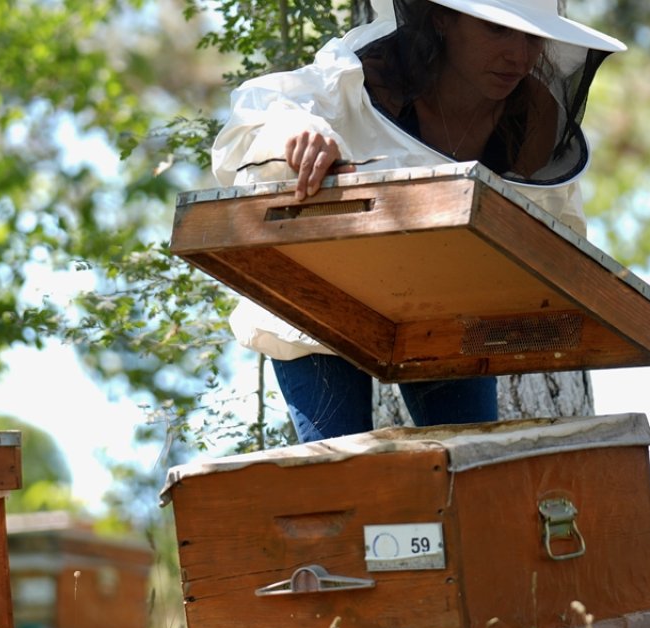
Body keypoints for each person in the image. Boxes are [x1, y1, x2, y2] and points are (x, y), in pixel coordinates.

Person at [209, 0, 626, 443]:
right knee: (341, 478)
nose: (519, 56)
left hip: (443, 310)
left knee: (470, 467)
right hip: (323, 301)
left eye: (531, 37)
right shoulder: (363, 73)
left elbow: (559, 241)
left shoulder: (535, 123)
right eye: (498, 31)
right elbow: (261, 108)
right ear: (443, 18)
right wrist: (297, 132)